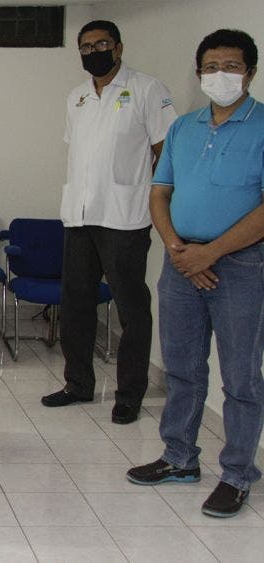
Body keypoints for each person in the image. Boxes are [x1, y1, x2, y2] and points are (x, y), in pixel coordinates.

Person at [127, 29, 264, 519]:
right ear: (199, 72)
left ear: (250, 72)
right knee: (182, 367)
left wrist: (212, 253)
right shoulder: (184, 127)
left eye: (231, 66)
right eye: (210, 67)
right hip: (180, 259)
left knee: (241, 377)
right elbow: (160, 192)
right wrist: (178, 248)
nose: (219, 74)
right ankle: (180, 457)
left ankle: (237, 473)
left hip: (242, 264)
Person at [42, 20, 177, 425]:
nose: (93, 52)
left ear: (118, 48)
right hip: (80, 215)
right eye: (86, 47)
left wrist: (151, 195)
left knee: (131, 308)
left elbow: (166, 151)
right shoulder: (77, 96)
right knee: (76, 304)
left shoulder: (147, 90)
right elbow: (80, 152)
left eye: (101, 44)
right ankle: (78, 384)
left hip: (124, 216)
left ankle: (129, 394)